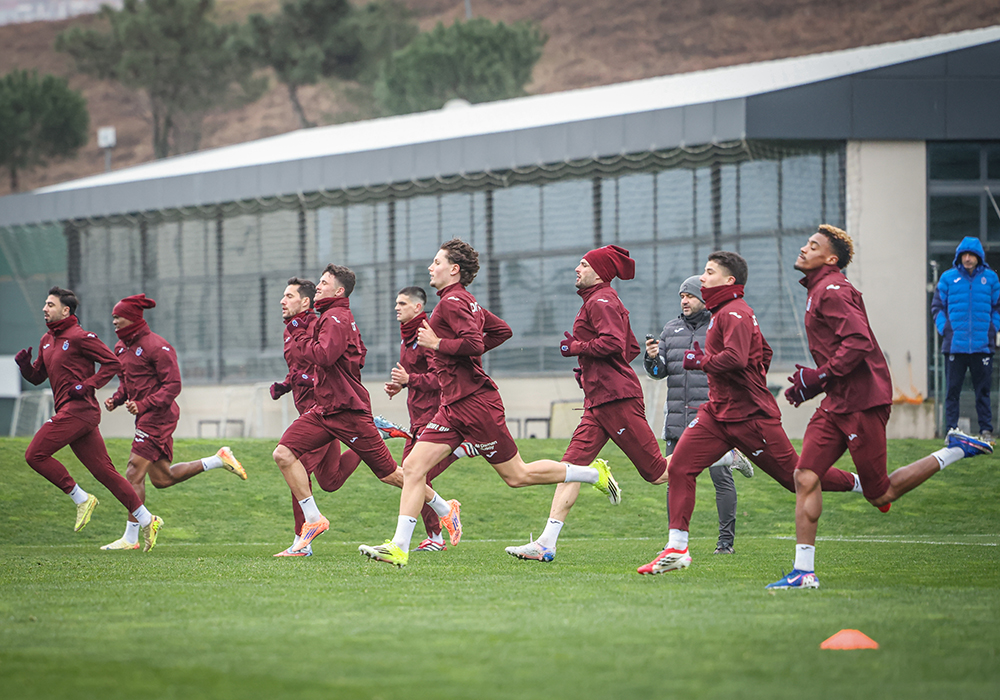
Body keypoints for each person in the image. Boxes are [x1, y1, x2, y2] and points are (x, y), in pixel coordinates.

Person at [359, 238, 620, 569]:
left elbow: (473, 342)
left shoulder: (454, 303)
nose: (430, 267)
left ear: (454, 270)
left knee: (517, 476)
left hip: (476, 405)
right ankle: (399, 546)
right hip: (452, 405)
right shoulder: (462, 301)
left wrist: (439, 343)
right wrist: (457, 354)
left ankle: (590, 473)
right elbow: (500, 332)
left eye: (436, 262)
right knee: (413, 468)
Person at [767, 225, 994, 589]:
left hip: (862, 403)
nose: (803, 249)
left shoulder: (832, 289)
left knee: (881, 494)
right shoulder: (818, 289)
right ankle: (803, 572)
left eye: (813, 246)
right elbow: (840, 351)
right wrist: (813, 385)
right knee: (804, 476)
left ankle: (954, 450)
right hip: (838, 401)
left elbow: (856, 343)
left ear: (831, 259)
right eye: (806, 244)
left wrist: (820, 377)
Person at [637, 251, 863, 576]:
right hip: (717, 412)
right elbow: (763, 352)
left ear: (730, 280)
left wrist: (701, 362)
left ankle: (861, 483)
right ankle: (677, 547)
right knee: (680, 467)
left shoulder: (735, 312)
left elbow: (737, 358)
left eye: (709, 272)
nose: (703, 278)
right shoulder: (722, 312)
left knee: (795, 478)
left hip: (750, 416)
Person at [505, 245, 682, 563]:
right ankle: (547, 542)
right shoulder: (598, 300)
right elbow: (627, 348)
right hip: (599, 399)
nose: (577, 269)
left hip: (617, 399)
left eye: (583, 264)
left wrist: (576, 347)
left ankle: (720, 456)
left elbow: (614, 343)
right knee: (570, 469)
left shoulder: (602, 299)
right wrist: (586, 367)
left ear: (599, 273)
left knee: (656, 473)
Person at [271, 265, 462, 554]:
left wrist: (300, 340)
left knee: (391, 475)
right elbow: (358, 354)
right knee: (283, 454)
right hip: (324, 410)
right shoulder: (331, 317)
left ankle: (445, 507)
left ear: (339, 291)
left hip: (349, 411)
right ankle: (313, 519)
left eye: (324, 283)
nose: (318, 286)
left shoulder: (336, 317)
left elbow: (323, 356)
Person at [15, 286, 162, 551]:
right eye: (45, 304)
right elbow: (38, 377)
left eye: (50, 304)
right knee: (105, 473)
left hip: (79, 411)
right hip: (70, 413)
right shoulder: (46, 340)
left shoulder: (81, 336)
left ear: (65, 310)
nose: (44, 309)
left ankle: (81, 498)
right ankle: (147, 519)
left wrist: (88, 385)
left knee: (34, 455)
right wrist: (25, 366)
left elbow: (112, 364)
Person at [269, 277, 408, 557]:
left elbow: (330, 359)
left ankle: (302, 543)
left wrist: (303, 378)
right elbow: (303, 365)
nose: (282, 301)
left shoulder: (319, 322)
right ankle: (377, 432)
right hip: (320, 412)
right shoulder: (291, 328)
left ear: (304, 302)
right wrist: (288, 383)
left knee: (296, 464)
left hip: (326, 409)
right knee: (330, 481)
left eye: (288, 296)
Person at [101, 294, 247, 551]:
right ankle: (218, 459)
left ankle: (131, 538)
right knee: (162, 478)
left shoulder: (157, 346)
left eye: (118, 316)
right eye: (113, 316)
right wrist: (116, 398)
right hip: (145, 415)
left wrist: (144, 404)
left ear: (133, 317)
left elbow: (173, 385)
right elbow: (127, 382)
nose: (113, 320)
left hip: (160, 415)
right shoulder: (120, 348)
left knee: (134, 471)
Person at [642, 276, 754, 555]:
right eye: (681, 296)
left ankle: (725, 544)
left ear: (703, 299)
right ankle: (674, 543)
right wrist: (653, 357)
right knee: (673, 479)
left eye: (689, 296)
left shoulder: (719, 326)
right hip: (677, 421)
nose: (684, 301)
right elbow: (658, 373)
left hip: (712, 419)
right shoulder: (670, 329)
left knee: (721, 479)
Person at [384, 286, 481, 552]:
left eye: (402, 303)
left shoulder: (426, 334)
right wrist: (400, 385)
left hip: (435, 415)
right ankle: (436, 533)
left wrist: (410, 380)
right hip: (417, 416)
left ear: (418, 307)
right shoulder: (407, 337)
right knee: (413, 477)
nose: (396, 307)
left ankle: (462, 451)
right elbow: (415, 376)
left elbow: (441, 377)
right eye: (396, 302)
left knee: (413, 476)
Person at [931, 236, 1000, 442]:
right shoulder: (947, 278)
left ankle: (986, 431)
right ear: (959, 257)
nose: (968, 259)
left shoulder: (991, 279)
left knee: (983, 392)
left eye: (972, 255)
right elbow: (937, 308)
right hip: (955, 346)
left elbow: (997, 307)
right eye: (964, 255)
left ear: (979, 257)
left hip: (982, 346)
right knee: (952, 392)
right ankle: (951, 431)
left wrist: (992, 328)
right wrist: (946, 330)